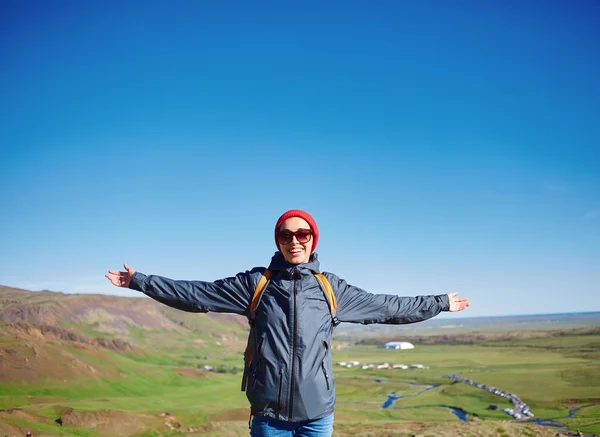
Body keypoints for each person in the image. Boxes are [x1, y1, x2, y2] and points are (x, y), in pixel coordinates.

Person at [106, 209, 470, 437]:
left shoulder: (332, 289)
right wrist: (141, 281)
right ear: (278, 241)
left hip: (317, 416)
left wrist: (439, 303)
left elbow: (387, 307)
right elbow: (197, 294)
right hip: (269, 416)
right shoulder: (256, 284)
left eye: (302, 235)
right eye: (286, 235)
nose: (294, 241)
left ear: (313, 241)